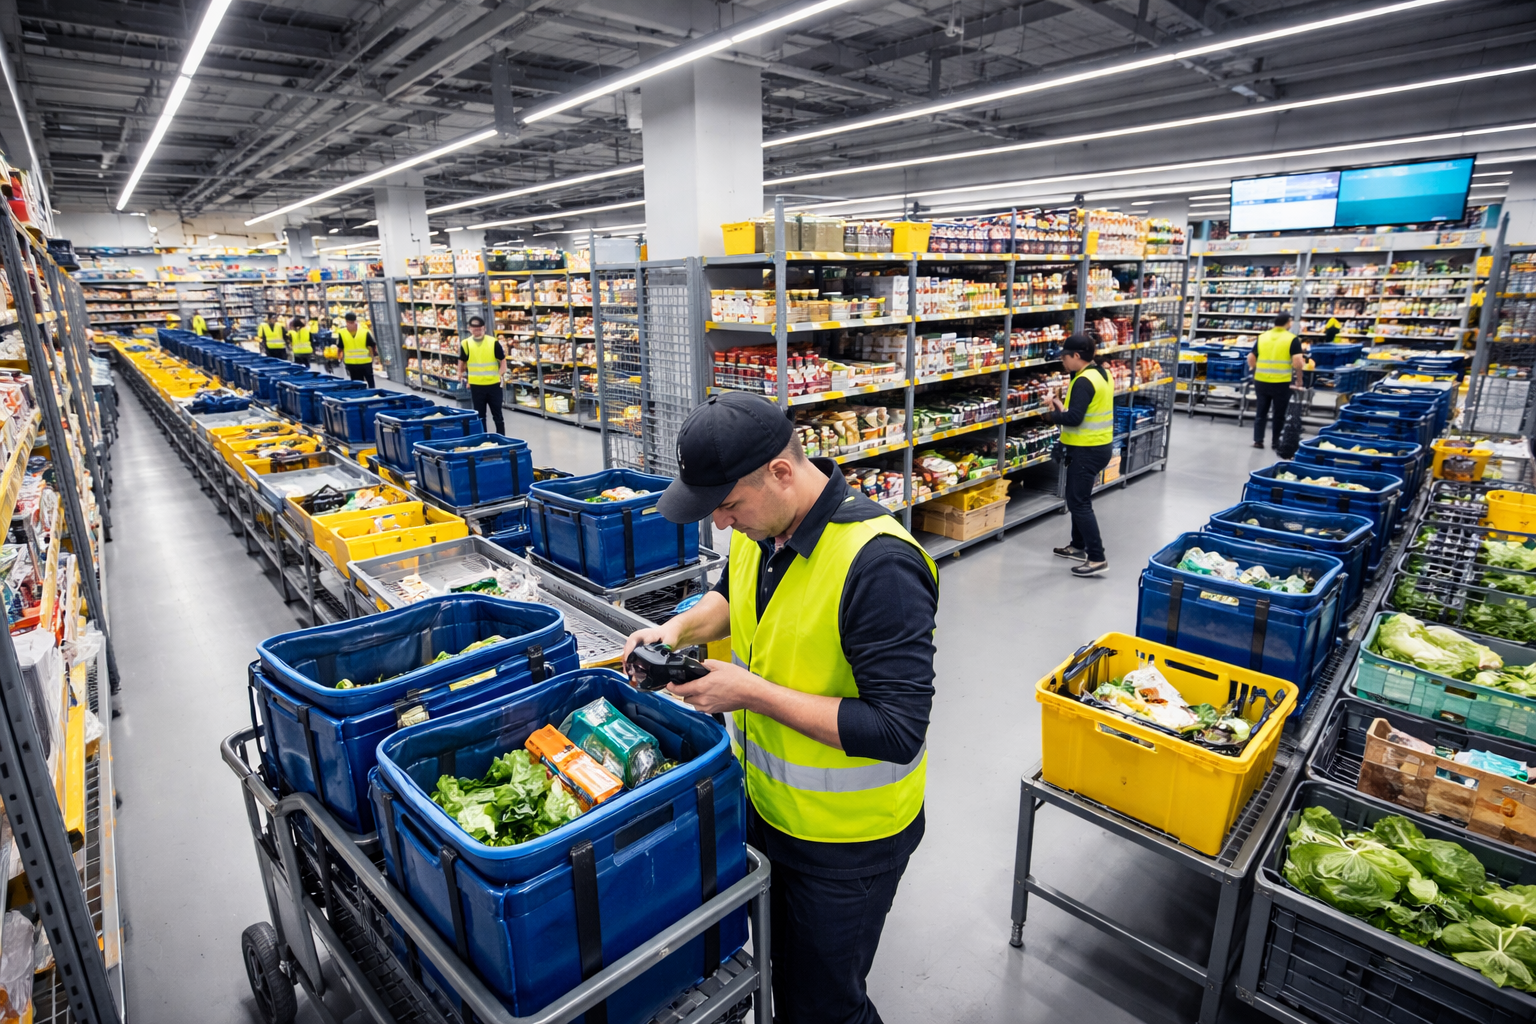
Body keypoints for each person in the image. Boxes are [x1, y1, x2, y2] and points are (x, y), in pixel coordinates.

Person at [622, 391, 938, 1024]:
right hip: (768, 810)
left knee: (823, 1007)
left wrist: (749, 693)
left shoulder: (880, 565)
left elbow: (897, 729)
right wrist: (676, 631)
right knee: (783, 976)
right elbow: (734, 596)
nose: (720, 523)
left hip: (846, 843)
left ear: (781, 472)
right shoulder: (763, 525)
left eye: (728, 505)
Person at [1046, 333, 1115, 577]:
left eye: (1065, 357)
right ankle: (1077, 546)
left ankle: (1097, 558)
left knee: (1078, 502)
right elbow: (1084, 412)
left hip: (1087, 450)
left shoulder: (1084, 381)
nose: (1063, 361)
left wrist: (1050, 416)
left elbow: (1074, 418)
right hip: (1098, 445)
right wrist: (1060, 407)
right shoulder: (1102, 374)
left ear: (1076, 356)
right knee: (1078, 497)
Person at [1248, 312, 1304, 450]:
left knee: (1261, 412)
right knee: (1279, 414)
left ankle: (1258, 440)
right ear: (1288, 322)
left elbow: (1251, 357)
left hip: (1261, 380)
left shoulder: (1262, 337)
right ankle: (1275, 442)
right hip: (1281, 382)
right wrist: (1299, 379)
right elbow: (1298, 362)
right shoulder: (1292, 339)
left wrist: (1254, 371)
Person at [459, 315, 506, 434]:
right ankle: (483, 438)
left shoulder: (493, 342)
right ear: (469, 329)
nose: (477, 332)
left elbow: (503, 361)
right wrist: (460, 373)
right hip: (476, 386)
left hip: (494, 385)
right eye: (475, 329)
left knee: (498, 415)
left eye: (479, 329)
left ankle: (501, 438)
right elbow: (462, 360)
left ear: (484, 328)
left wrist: (500, 374)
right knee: (480, 416)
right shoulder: (466, 344)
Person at [337, 312, 378, 387]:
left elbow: (340, 348)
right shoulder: (343, 333)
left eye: (351, 322)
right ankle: (369, 393)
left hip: (359, 363)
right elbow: (372, 345)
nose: (350, 324)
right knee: (363, 383)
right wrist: (374, 356)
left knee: (362, 383)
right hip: (358, 363)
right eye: (349, 323)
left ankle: (371, 393)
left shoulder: (364, 332)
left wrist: (339, 359)